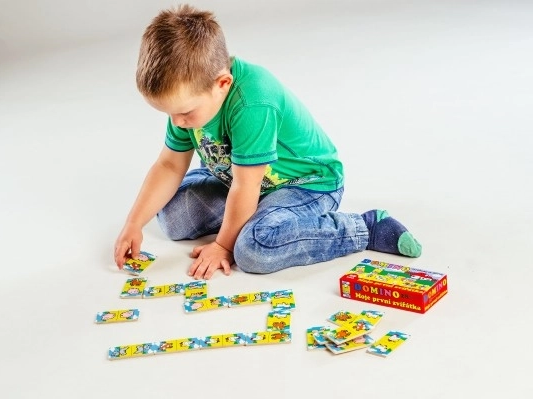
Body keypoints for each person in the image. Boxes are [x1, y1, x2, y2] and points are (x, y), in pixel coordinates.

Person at [114, 4, 422, 280]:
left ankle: (365, 228)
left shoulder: (252, 103)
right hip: (243, 179)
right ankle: (254, 214)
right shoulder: (190, 102)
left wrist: (223, 245)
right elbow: (169, 164)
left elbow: (245, 186)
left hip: (306, 185)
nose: (178, 122)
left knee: (252, 249)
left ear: (222, 84)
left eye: (184, 113)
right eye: (170, 113)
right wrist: (134, 223)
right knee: (172, 218)